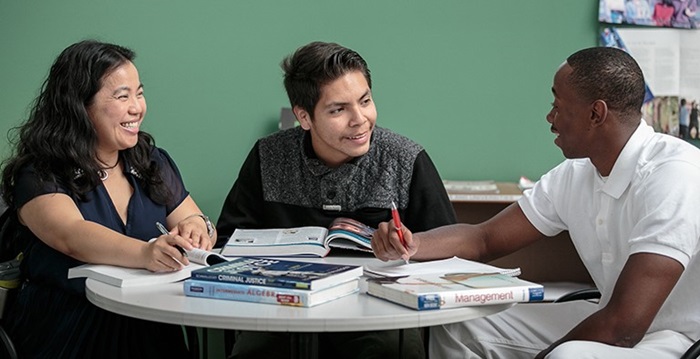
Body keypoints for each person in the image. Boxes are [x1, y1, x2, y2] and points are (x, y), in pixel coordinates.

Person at [372, 46, 700, 358]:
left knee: (568, 354)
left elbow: (624, 326)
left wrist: (546, 355)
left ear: (596, 114)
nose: (549, 116)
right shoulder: (576, 174)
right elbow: (484, 238)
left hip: (678, 338)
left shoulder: (674, 175)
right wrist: (412, 243)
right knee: (458, 323)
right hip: (609, 317)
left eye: (559, 105)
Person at [216, 41, 457, 358]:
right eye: (338, 109)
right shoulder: (268, 156)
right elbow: (227, 242)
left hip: (380, 313)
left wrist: (410, 245)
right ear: (304, 117)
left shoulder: (406, 158)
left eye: (365, 101)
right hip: (283, 310)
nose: (360, 119)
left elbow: (450, 251)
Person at [0, 40, 217, 358]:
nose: (137, 107)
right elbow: (71, 235)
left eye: (139, 93)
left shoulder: (151, 160)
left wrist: (198, 229)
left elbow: (192, 217)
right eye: (122, 96)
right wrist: (145, 252)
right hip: (70, 329)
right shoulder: (40, 172)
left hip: (151, 324)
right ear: (79, 105)